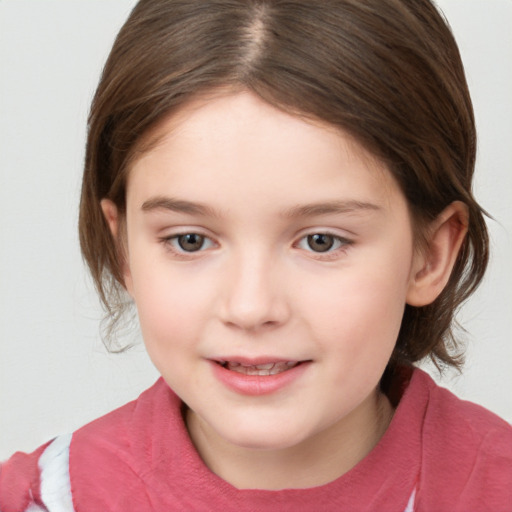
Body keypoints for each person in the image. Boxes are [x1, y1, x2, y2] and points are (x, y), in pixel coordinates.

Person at [1, 0, 511, 510]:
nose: (250, 308)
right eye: (190, 240)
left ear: (430, 254)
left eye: (321, 241)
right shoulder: (43, 500)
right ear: (124, 249)